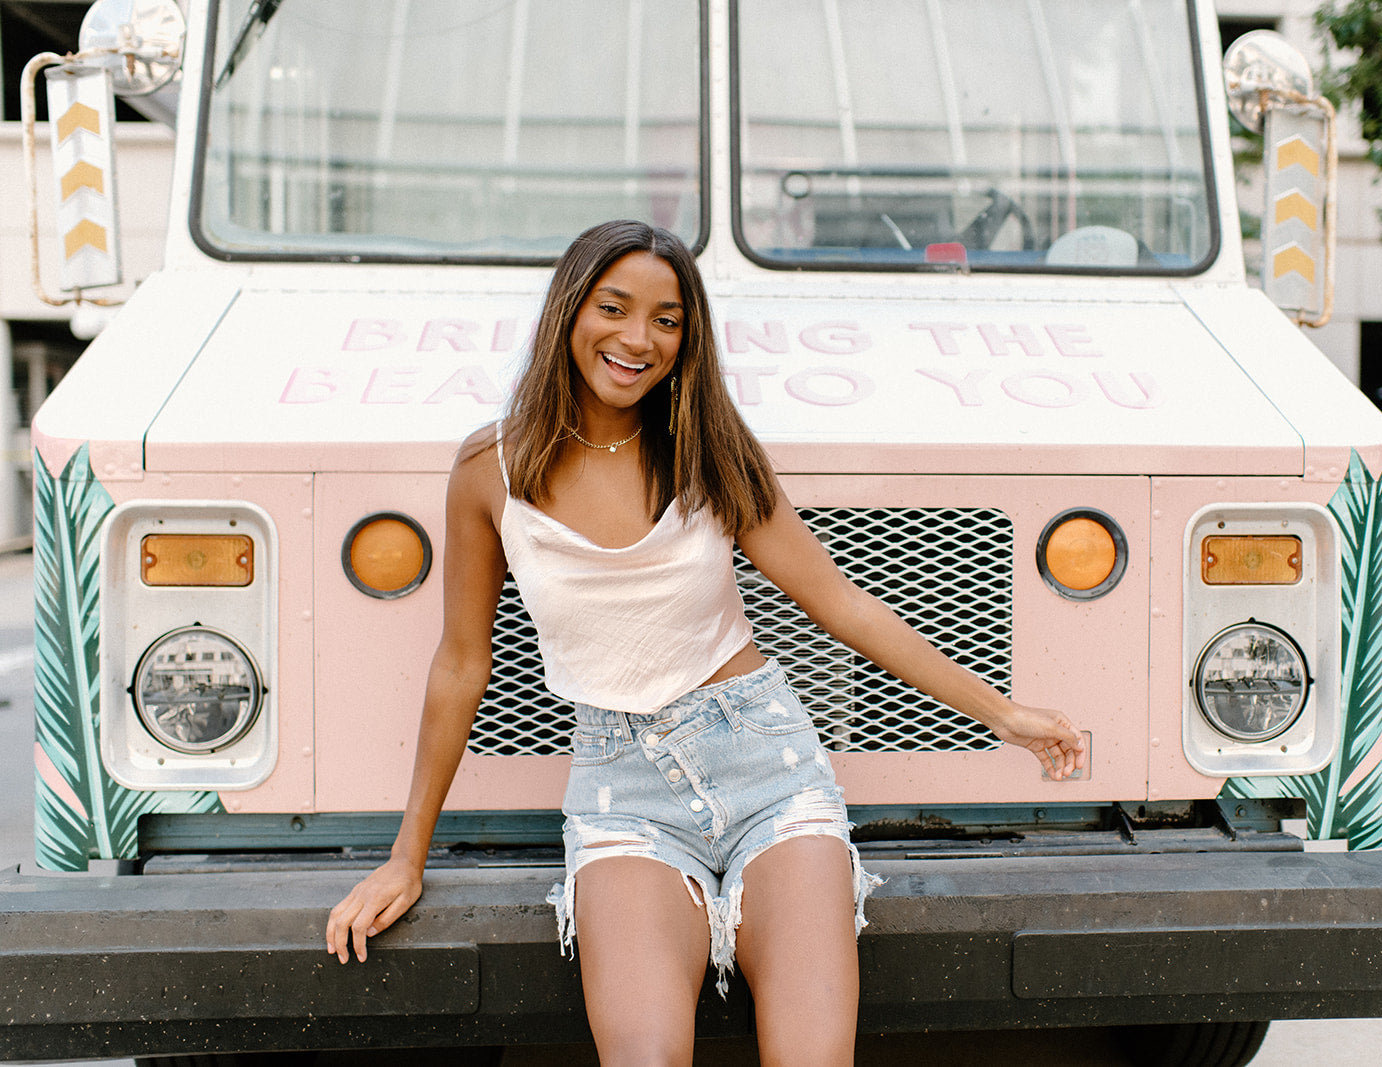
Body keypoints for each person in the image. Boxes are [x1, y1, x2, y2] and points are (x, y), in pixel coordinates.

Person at [324, 219, 1088, 1065]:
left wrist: (1004, 714)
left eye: (666, 319)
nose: (636, 338)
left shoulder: (708, 448)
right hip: (624, 792)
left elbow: (839, 601)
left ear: (688, 338)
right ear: (569, 310)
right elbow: (463, 663)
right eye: (613, 307)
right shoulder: (490, 470)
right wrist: (406, 857)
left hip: (770, 773)